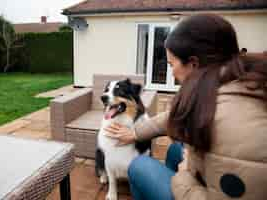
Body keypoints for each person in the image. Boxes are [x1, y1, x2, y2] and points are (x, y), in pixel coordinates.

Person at [105, 14, 267, 200]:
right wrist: (135, 133)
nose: (172, 73)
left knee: (139, 165)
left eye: (171, 64)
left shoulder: (231, 124)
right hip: (209, 180)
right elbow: (175, 117)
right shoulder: (233, 82)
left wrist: (184, 177)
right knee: (176, 149)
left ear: (193, 64)